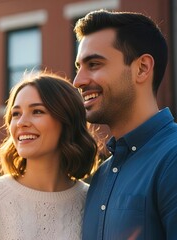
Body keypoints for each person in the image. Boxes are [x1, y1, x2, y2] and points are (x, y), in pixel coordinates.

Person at [0, 71, 99, 240]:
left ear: (67, 121)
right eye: (16, 114)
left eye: (37, 111)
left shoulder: (94, 201)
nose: (21, 122)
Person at [73, 9, 177, 239]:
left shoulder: (173, 157)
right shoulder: (101, 176)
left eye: (94, 64)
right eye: (79, 66)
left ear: (142, 68)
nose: (78, 80)